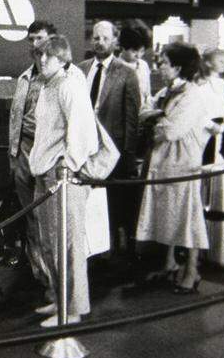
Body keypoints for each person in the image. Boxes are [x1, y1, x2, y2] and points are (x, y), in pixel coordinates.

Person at [30, 35, 98, 326]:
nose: (42, 60)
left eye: (49, 55)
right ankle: (59, 298)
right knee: (49, 243)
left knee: (68, 245)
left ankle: (73, 308)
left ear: (63, 59)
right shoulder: (48, 85)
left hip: (61, 177)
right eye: (39, 54)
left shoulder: (70, 85)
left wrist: (67, 166)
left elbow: (82, 132)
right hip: (44, 173)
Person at [134, 43, 212, 294]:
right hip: (163, 164)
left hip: (183, 165)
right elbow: (144, 111)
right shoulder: (168, 92)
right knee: (167, 215)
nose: (160, 67)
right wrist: (157, 117)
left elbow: (171, 130)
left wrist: (155, 118)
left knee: (188, 218)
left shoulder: (193, 96)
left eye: (164, 63)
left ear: (178, 66)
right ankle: (170, 263)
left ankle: (191, 269)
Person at [79, 20, 141, 265]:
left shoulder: (127, 72)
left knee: (115, 206)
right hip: (86, 150)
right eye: (96, 37)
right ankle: (93, 251)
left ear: (115, 41)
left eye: (105, 38)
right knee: (90, 203)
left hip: (113, 152)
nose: (100, 42)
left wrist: (127, 155)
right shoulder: (81, 69)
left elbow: (132, 118)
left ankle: (117, 252)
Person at [8, 20, 58, 303]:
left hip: (48, 156)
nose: (35, 45)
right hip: (24, 153)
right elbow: (16, 119)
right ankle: (42, 279)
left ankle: (56, 286)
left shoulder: (65, 77)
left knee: (48, 220)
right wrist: (13, 156)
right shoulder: (26, 77)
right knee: (31, 220)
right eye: (31, 40)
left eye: (39, 38)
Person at [198, 49, 224, 164]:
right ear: (208, 63)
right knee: (201, 160)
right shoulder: (200, 83)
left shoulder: (221, 83)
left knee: (214, 160)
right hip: (204, 128)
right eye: (220, 61)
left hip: (219, 128)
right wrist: (210, 125)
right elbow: (197, 109)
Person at [118, 22, 153, 107]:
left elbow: (147, 95)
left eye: (142, 51)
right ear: (123, 47)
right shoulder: (113, 67)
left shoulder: (144, 66)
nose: (138, 55)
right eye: (134, 51)